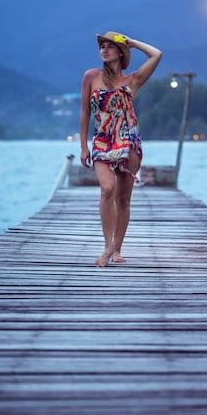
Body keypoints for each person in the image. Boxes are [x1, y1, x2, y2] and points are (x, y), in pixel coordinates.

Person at [80, 31, 162, 267]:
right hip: (103, 140)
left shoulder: (133, 80)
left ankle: (117, 249)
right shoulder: (91, 76)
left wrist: (132, 42)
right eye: (102, 46)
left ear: (120, 52)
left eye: (109, 46)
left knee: (123, 198)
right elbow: (85, 112)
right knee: (107, 189)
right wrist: (83, 146)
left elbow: (157, 54)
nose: (104, 49)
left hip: (128, 141)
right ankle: (107, 247)